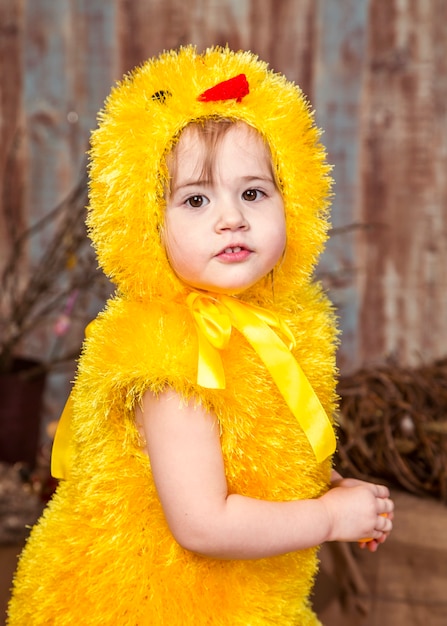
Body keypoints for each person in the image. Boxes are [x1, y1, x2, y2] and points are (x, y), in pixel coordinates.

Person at [8, 46, 393, 625]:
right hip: (146, 605)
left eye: (254, 192)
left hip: (240, 600)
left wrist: (325, 488)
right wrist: (333, 519)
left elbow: (255, 450)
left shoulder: (279, 330)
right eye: (196, 199)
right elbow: (203, 525)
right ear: (146, 225)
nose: (231, 217)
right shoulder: (171, 358)